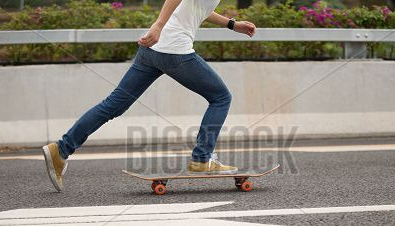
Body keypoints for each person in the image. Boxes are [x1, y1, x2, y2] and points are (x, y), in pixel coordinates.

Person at [42, 0, 256, 192]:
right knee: (221, 97)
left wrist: (232, 24)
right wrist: (159, 25)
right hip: (174, 51)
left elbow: (199, 7)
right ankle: (202, 158)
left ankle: (61, 150)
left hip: (151, 50)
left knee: (114, 105)